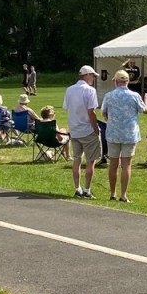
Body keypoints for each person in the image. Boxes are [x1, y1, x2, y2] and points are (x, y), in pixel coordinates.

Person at [100, 69, 147, 202]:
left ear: (116, 81)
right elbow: (145, 111)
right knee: (126, 165)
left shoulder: (109, 96)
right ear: (127, 82)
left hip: (113, 134)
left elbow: (104, 113)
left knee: (113, 164)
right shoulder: (134, 95)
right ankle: (123, 195)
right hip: (129, 134)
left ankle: (112, 193)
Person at [64, 66, 103, 198]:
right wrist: (95, 128)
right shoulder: (90, 90)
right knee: (90, 161)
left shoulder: (69, 90)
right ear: (86, 75)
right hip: (87, 129)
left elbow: (67, 108)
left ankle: (77, 188)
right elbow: (91, 112)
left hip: (74, 130)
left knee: (77, 160)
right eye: (92, 76)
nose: (93, 78)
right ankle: (87, 190)